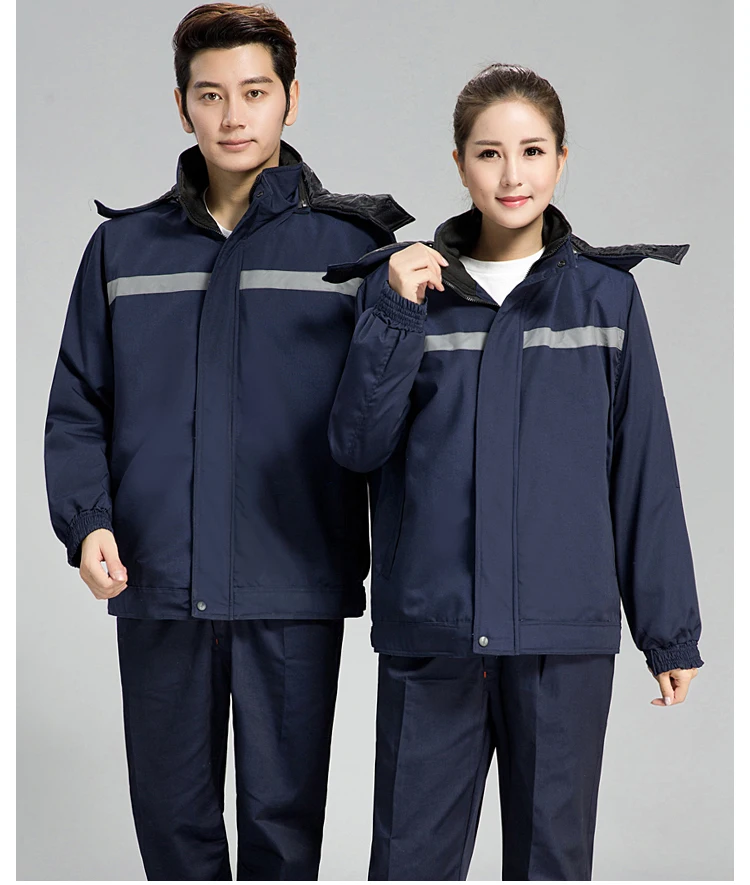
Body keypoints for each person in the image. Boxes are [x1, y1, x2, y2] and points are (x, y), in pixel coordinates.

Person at [43, 3, 412, 880]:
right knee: (173, 826)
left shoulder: (357, 251)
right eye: (211, 95)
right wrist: (88, 523)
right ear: (182, 108)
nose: (233, 115)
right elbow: (78, 405)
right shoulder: (122, 250)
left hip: (296, 581)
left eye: (254, 92)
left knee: (284, 830)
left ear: (291, 99)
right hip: (158, 579)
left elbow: (387, 425)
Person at [326, 63, 703, 881]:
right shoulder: (403, 289)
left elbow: (643, 470)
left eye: (531, 151)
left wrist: (668, 631)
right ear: (460, 163)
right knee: (408, 865)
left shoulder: (605, 299)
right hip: (434, 631)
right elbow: (357, 444)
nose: (511, 174)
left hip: (560, 639)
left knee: (551, 865)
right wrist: (394, 314)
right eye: (489, 152)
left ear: (561, 159)